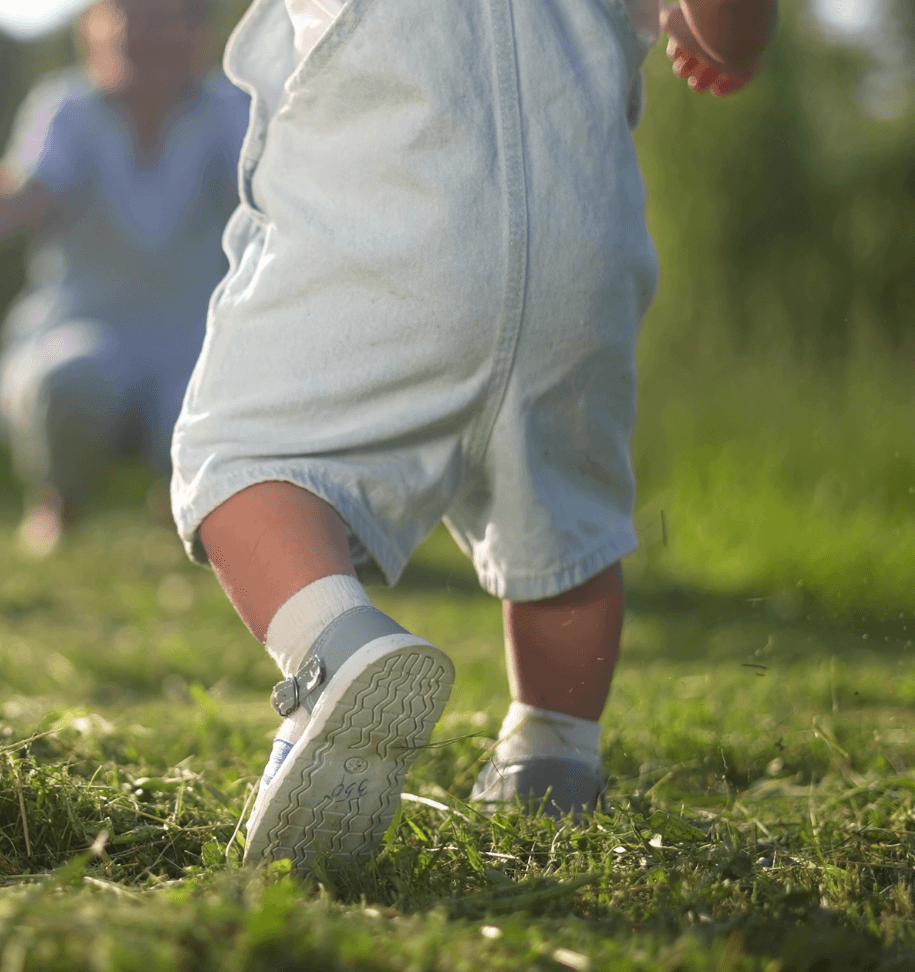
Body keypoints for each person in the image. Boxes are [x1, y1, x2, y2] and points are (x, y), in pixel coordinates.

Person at [169, 0, 778, 870]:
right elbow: (727, 26)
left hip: (389, 215)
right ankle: (554, 755)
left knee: (235, 458)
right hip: (578, 257)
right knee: (561, 524)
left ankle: (335, 644)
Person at [0, 0, 248, 555]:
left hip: (196, 341)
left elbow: (264, 199)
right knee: (68, 383)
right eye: (125, 13)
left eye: (161, 16)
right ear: (95, 31)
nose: (139, 29)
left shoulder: (233, 110)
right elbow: (39, 187)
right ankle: (59, 502)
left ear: (198, 33)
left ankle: (180, 503)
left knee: (218, 409)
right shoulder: (66, 106)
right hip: (84, 326)